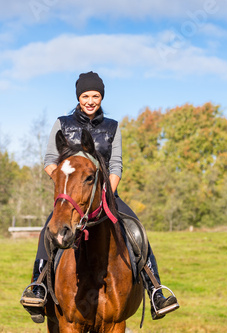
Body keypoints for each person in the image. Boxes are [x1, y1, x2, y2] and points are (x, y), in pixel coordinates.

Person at [22, 71, 178, 323]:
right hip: (72, 195)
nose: (90, 100)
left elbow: (115, 164)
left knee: (137, 229)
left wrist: (108, 192)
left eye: (95, 95)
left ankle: (155, 289)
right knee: (48, 230)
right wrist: (67, 186)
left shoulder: (112, 127)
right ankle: (37, 287)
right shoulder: (62, 123)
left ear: (101, 97)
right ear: (79, 97)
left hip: (105, 193)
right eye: (86, 95)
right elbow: (50, 161)